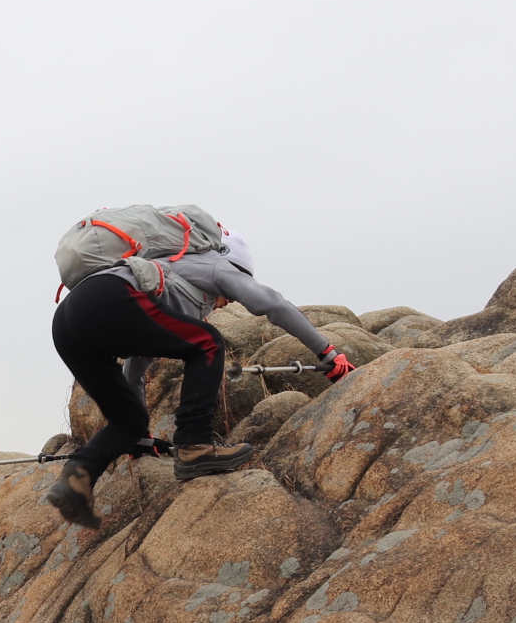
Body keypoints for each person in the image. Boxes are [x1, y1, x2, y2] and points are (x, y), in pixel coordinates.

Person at [46, 226, 351, 528]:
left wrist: (140, 439)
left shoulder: (168, 277)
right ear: (236, 268)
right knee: (208, 343)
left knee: (128, 420)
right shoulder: (216, 265)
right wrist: (327, 353)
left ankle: (76, 481)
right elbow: (273, 304)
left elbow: (136, 365)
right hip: (106, 297)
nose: (231, 300)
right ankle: (194, 445)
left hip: (68, 322)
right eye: (241, 283)